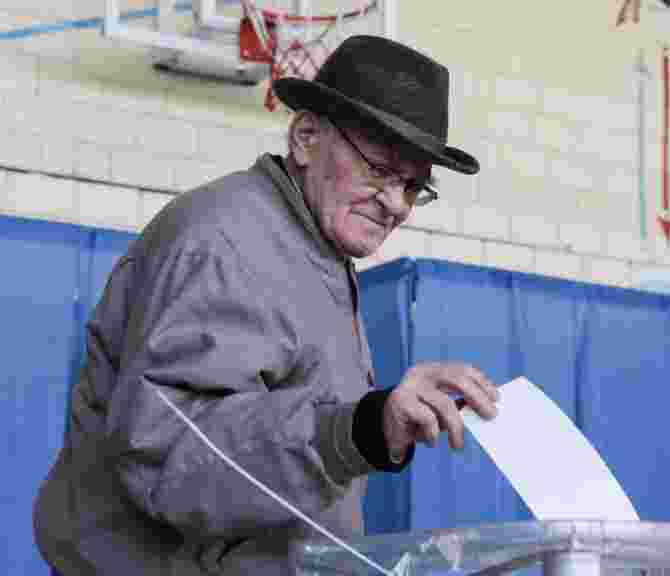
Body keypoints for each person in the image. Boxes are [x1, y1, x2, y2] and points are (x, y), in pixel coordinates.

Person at [33, 35, 499, 575]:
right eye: (379, 168)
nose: (396, 204)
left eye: (414, 186)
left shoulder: (313, 248)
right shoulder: (229, 245)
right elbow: (172, 455)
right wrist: (360, 429)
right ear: (305, 137)